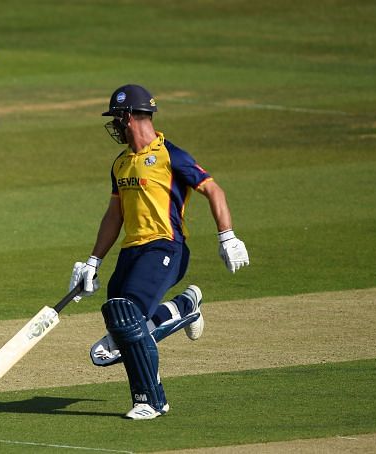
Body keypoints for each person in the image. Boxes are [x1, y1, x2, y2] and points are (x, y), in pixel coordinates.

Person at [69, 84, 249, 419]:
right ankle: (184, 309)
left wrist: (228, 237)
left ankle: (150, 401)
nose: (115, 126)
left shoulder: (171, 155)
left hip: (166, 247)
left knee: (127, 318)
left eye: (117, 118)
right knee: (120, 320)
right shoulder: (121, 163)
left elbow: (214, 190)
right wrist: (93, 261)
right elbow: (115, 215)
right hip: (131, 252)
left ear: (129, 117)